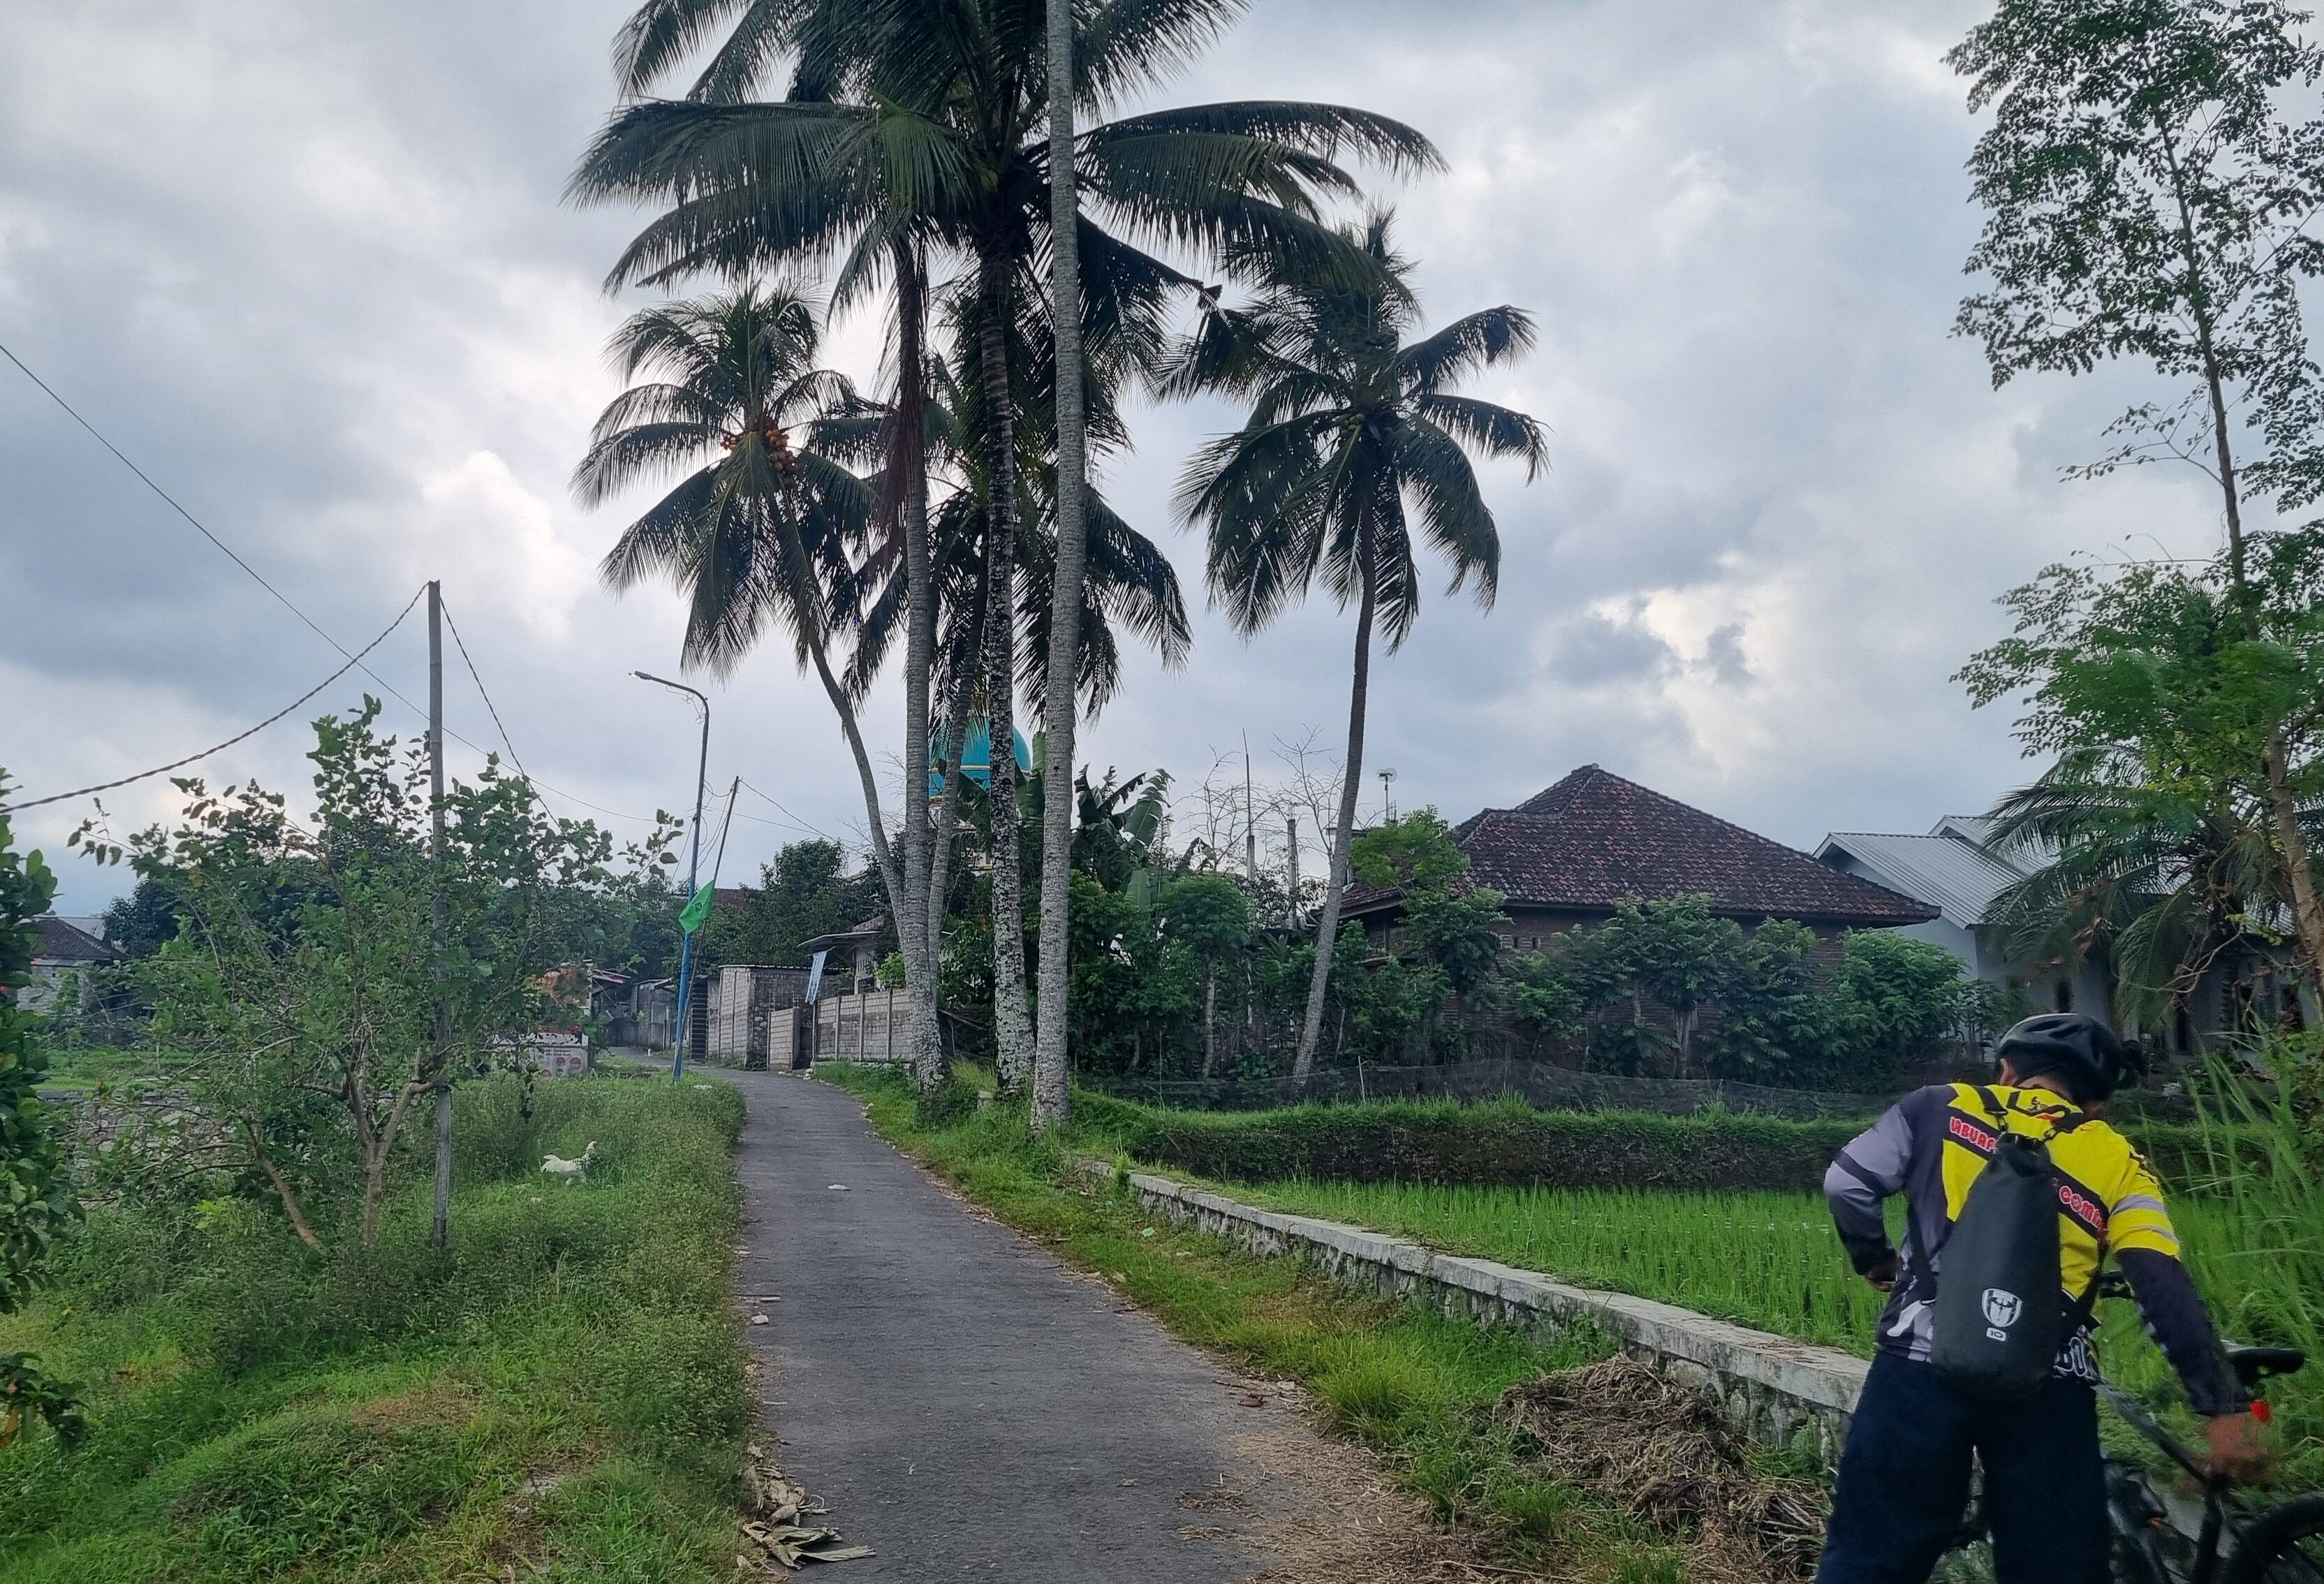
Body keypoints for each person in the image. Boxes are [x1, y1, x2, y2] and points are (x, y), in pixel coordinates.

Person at [1816, 1013, 2266, 1584]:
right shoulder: (2119, 1162)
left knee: (1869, 1561)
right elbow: (2160, 1282)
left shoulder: (1937, 1106)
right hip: (2048, 1391)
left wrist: (1875, 1258)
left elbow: (1846, 1183)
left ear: (2007, 1071)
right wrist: (2221, 1406)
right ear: (2096, 1103)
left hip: (1917, 1372)